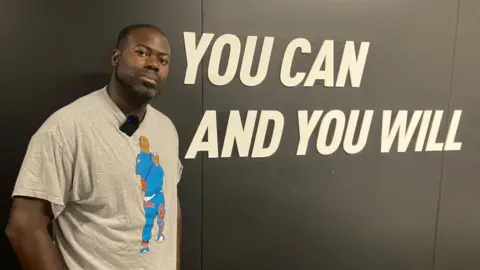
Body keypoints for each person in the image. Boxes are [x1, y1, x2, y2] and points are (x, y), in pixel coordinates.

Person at [5, 24, 183, 270]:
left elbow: (171, 205)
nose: (154, 63)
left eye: (163, 60)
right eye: (142, 52)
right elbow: (24, 226)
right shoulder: (67, 127)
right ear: (116, 57)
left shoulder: (166, 129)